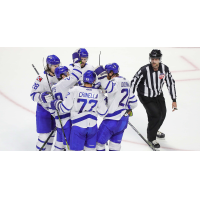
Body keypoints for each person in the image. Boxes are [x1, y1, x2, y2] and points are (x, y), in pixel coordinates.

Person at [130, 49, 177, 149]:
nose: (154, 61)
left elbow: (170, 83)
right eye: (152, 59)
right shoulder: (144, 70)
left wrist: (174, 99)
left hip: (158, 94)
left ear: (159, 59)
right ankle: (151, 137)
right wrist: (130, 97)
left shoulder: (164, 69)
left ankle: (155, 130)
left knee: (163, 113)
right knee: (155, 115)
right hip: (145, 95)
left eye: (156, 59)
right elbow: (134, 81)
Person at [50, 70, 108, 151]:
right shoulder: (98, 92)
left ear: (83, 79)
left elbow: (65, 108)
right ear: (94, 81)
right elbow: (103, 113)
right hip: (93, 128)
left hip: (78, 127)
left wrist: (57, 104)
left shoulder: (74, 90)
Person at [94, 63, 138, 151]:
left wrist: (101, 75)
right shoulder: (126, 81)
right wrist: (124, 109)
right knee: (115, 146)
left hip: (111, 122)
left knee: (98, 145)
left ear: (111, 73)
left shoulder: (115, 82)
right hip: (123, 121)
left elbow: (109, 87)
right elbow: (134, 102)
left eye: (106, 73)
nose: (106, 75)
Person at [49, 62, 83, 151]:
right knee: (69, 147)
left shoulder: (54, 87)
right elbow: (76, 75)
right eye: (67, 73)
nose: (69, 74)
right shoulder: (64, 83)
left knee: (59, 146)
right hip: (67, 120)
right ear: (63, 76)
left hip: (59, 120)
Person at [30, 55, 60, 151]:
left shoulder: (59, 76)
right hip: (43, 110)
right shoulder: (41, 78)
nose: (57, 67)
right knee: (44, 135)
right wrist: (41, 97)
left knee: (52, 135)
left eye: (58, 65)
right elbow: (32, 95)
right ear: (48, 65)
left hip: (55, 110)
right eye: (55, 66)